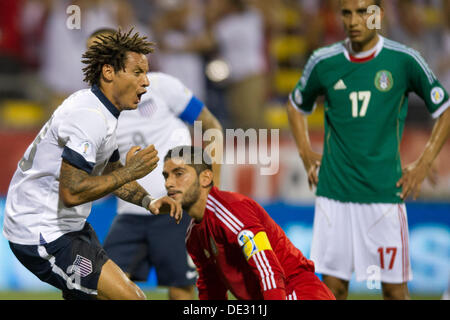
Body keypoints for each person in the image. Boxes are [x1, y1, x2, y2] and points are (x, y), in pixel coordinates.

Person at [287, 0, 450, 300]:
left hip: (383, 195)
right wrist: (305, 152)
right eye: (347, 13)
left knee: (394, 291)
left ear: (379, 15)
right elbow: (296, 106)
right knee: (332, 290)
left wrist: (425, 161)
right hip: (334, 195)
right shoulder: (324, 61)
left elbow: (445, 108)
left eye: (363, 12)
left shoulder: (404, 60)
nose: (354, 20)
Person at [2, 29, 182, 300]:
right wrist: (130, 171)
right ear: (109, 72)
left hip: (70, 229)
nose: (146, 82)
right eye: (137, 73)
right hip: (42, 234)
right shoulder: (90, 118)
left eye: (146, 73)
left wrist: (149, 202)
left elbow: (111, 174)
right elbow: (72, 192)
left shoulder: (103, 113)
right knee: (132, 298)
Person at [86, 29, 223, 300]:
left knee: (180, 290)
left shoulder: (161, 86)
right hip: (130, 212)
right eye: (91, 53)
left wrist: (211, 187)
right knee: (103, 288)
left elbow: (211, 125)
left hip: (176, 211)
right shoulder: (93, 110)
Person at [162, 145, 336, 300]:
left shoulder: (231, 210)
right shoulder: (194, 237)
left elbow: (267, 269)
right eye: (166, 176)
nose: (169, 183)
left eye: (179, 174)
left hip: (296, 291)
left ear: (206, 178)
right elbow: (211, 289)